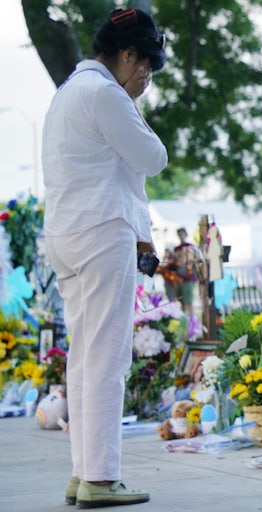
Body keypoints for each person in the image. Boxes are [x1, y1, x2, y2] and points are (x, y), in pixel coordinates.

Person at [41, 7, 167, 508]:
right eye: (146, 66)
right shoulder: (106, 94)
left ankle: (82, 472)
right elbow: (152, 158)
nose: (146, 78)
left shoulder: (67, 93)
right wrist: (134, 107)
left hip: (67, 236)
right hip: (99, 233)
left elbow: (114, 168)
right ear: (127, 54)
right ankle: (101, 476)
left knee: (84, 358)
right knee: (108, 358)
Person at [171, 227, 199, 316]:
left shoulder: (190, 247)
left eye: (182, 233)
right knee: (182, 302)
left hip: (189, 278)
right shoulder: (176, 249)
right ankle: (185, 321)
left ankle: (192, 322)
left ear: (185, 234)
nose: (180, 236)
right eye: (179, 234)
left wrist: (195, 276)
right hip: (180, 279)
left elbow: (195, 262)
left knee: (189, 302)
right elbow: (175, 264)